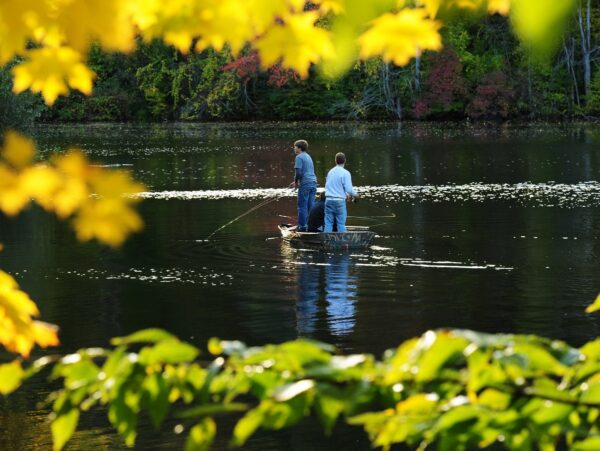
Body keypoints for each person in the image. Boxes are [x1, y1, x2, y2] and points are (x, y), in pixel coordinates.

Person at [324, 152, 357, 232]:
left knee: (328, 223)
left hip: (328, 200)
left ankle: (325, 242)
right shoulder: (346, 173)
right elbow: (349, 189)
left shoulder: (330, 172)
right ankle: (342, 242)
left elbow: (329, 186)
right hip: (339, 202)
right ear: (345, 160)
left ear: (335, 161)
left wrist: (345, 194)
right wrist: (356, 195)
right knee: (340, 224)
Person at [290, 139, 317, 231]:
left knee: (302, 206)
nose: (294, 148)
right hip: (313, 183)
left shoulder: (299, 157)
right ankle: (313, 225)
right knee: (311, 206)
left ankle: (302, 227)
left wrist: (296, 182)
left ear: (299, 148)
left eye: (295, 147)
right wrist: (297, 182)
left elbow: (298, 173)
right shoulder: (308, 156)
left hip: (305, 184)